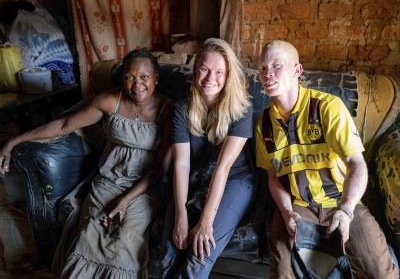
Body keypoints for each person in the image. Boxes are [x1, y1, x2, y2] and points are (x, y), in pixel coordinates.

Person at [0, 48, 174, 278]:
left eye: (144, 77)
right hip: (107, 183)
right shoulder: (109, 101)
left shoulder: (167, 110)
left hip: (145, 189)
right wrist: (14, 140)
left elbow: (162, 167)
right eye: (129, 77)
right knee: (90, 239)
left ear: (156, 78)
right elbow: (64, 126)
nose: (136, 84)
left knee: (125, 246)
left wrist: (125, 200)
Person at [255, 40, 398, 278]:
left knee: (380, 272)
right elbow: (273, 177)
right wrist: (287, 211)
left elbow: (356, 163)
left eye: (276, 65)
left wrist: (347, 210)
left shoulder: (328, 107)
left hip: (341, 202)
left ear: (297, 71)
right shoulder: (264, 124)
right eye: (262, 68)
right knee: (282, 272)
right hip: (300, 205)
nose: (267, 73)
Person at [158, 38, 257, 278]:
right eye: (204, 69)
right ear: (195, 70)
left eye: (219, 72)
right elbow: (181, 163)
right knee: (169, 252)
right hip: (196, 177)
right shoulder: (183, 105)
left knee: (199, 254)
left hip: (234, 179)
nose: (210, 78)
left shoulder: (242, 108)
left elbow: (223, 168)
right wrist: (181, 216)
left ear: (228, 75)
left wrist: (205, 222)